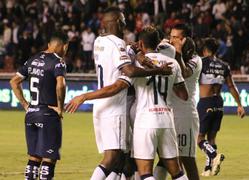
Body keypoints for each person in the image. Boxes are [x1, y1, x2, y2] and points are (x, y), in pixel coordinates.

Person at [64, 7, 172, 180]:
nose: (124, 24)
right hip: (114, 107)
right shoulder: (117, 43)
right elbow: (128, 71)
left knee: (118, 158)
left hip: (100, 108)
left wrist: (134, 51)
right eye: (122, 21)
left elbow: (122, 55)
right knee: (112, 157)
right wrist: (158, 70)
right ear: (113, 22)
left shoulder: (99, 41)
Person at [132, 26, 189, 180]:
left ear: (141, 44)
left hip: (145, 121)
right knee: (177, 172)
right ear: (158, 43)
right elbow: (184, 95)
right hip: (166, 120)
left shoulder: (136, 63)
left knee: (145, 173)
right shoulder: (172, 63)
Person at [10, 31, 69, 180]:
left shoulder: (32, 59)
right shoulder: (58, 61)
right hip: (48, 115)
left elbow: (14, 81)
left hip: (31, 114)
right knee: (49, 159)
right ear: (64, 46)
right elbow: (60, 85)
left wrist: (25, 104)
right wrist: (60, 108)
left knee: (34, 157)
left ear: (49, 45)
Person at [154, 24, 202, 180]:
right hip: (168, 113)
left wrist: (178, 54)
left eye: (176, 37)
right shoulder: (167, 53)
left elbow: (185, 73)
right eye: (171, 36)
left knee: (187, 159)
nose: (171, 39)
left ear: (185, 40)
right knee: (165, 159)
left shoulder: (195, 59)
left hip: (184, 115)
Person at [197, 38, 245, 176]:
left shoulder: (201, 62)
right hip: (219, 103)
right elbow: (231, 86)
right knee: (211, 138)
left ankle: (213, 155)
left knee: (199, 138)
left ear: (205, 49)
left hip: (206, 102)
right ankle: (208, 168)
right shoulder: (224, 65)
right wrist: (240, 105)